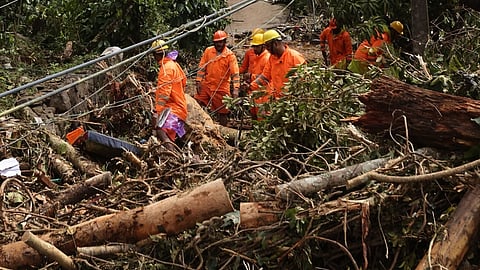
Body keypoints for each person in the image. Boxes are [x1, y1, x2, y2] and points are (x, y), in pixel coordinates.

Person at [195, 30, 240, 126]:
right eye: (217, 42)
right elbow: (202, 67)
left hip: (221, 88)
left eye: (221, 42)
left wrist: (236, 89)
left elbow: (235, 74)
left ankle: (223, 132)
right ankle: (199, 126)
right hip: (207, 84)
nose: (219, 44)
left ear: (224, 42)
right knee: (198, 104)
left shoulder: (230, 56)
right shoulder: (208, 51)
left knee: (223, 112)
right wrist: (198, 81)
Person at [151, 39, 188, 151]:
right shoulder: (174, 64)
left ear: (156, 55)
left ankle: (173, 158)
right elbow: (183, 82)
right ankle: (174, 156)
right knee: (170, 137)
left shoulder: (166, 68)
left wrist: (157, 112)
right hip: (179, 108)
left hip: (174, 109)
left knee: (160, 129)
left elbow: (164, 94)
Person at [250, 29, 306, 100]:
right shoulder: (272, 58)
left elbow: (304, 80)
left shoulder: (294, 57)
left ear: (275, 43)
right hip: (278, 100)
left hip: (292, 100)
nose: (267, 50)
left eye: (268, 46)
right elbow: (265, 77)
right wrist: (251, 86)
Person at [242, 33, 271, 119]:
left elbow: (266, 77)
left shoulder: (266, 58)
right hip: (254, 91)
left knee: (261, 117)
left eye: (257, 46)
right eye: (253, 46)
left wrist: (251, 76)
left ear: (263, 46)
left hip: (263, 93)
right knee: (253, 115)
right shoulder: (257, 57)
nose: (254, 49)